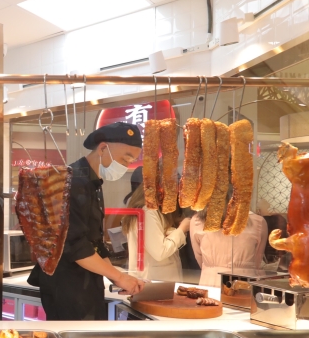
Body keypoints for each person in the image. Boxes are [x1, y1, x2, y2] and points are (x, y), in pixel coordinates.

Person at [30, 123, 145, 320]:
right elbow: (75, 245)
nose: (126, 166)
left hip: (85, 283)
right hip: (67, 286)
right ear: (103, 148)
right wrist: (118, 276)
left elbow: (95, 242)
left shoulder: (92, 182)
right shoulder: (73, 181)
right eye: (125, 159)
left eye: (131, 161)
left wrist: (117, 276)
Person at [121, 184, 191, 281]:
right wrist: (182, 229)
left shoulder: (152, 211)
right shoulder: (147, 212)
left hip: (158, 279)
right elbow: (160, 252)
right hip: (152, 280)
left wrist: (172, 231)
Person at [189, 209, 268, 287]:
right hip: (244, 282)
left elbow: (199, 257)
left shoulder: (197, 221)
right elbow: (257, 262)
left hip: (210, 280)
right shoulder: (258, 222)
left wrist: (212, 268)